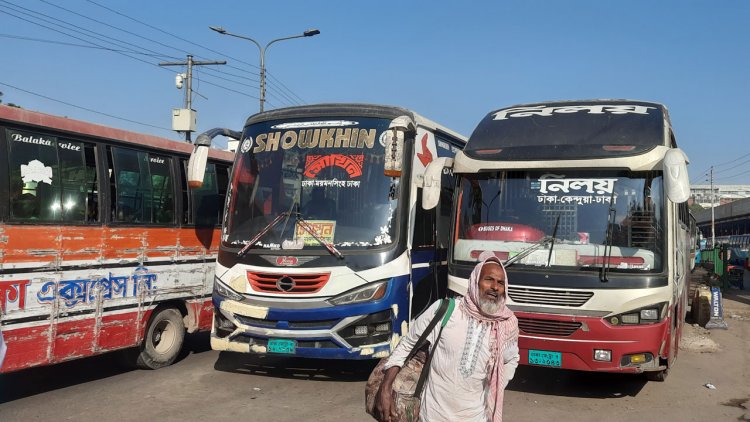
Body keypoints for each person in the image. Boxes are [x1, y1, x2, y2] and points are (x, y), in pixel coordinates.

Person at [374, 251, 519, 422]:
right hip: (432, 416)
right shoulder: (446, 310)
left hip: (476, 417)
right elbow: (406, 345)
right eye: (489, 280)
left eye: (501, 283)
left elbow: (511, 358)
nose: (495, 287)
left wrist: (496, 387)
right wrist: (385, 388)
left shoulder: (505, 324)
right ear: (475, 281)